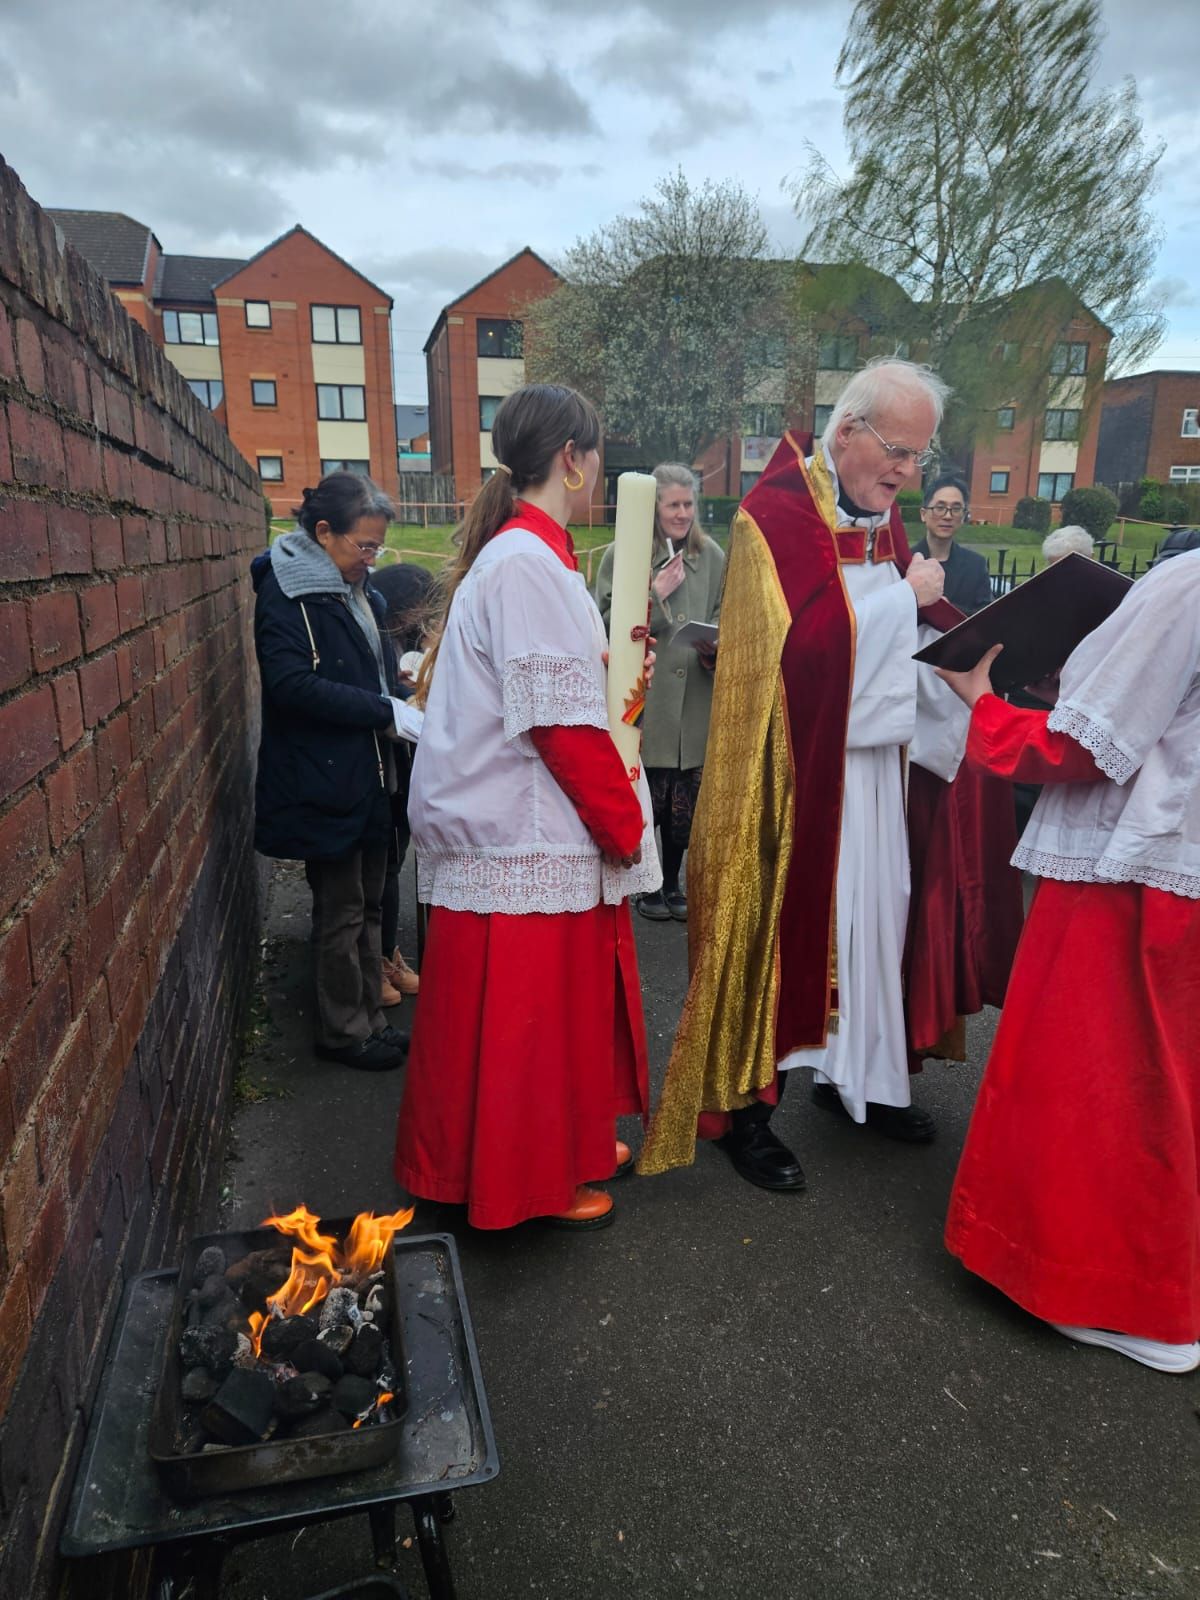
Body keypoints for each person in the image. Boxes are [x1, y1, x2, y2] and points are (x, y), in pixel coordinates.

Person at [640, 358, 986, 1192]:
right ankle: (747, 1113)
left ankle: (862, 1080)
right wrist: (907, 600)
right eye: (898, 452)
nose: (908, 473)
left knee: (875, 921)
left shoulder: (879, 514)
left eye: (919, 456)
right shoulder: (776, 515)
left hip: (874, 765)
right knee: (787, 931)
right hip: (790, 778)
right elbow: (804, 652)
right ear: (847, 432)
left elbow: (889, 621)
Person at [393, 383, 660, 1231]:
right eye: (597, 453)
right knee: (526, 1025)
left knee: (548, 1018)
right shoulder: (526, 564)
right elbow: (555, 724)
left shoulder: (531, 558)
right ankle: (527, 1180)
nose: (600, 467)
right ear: (573, 460)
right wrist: (623, 823)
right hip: (518, 827)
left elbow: (571, 694)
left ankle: (568, 1146)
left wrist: (624, 679)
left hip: (519, 824)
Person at [937, 548, 1200, 1373]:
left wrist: (982, 706)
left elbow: (1083, 749)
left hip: (1135, 868)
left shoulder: (1187, 584)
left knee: (1110, 1083)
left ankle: (1120, 1295)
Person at [252, 472, 411, 1071]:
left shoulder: (358, 591)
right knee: (341, 908)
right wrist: (381, 708)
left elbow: (364, 670)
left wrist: (397, 686)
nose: (371, 560)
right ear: (323, 532)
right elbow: (290, 684)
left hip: (369, 771)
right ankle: (344, 1032)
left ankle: (368, 1013)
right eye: (363, 546)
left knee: (370, 902)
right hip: (327, 777)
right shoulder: (286, 592)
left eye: (378, 548)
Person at [595, 464, 725, 921]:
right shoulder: (622, 554)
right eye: (673, 504)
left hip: (694, 700)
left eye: (689, 504)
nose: (683, 513)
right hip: (647, 697)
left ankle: (673, 881)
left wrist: (715, 647)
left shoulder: (712, 556)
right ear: (654, 509)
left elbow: (722, 612)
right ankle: (646, 885)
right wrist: (653, 592)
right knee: (652, 794)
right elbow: (605, 621)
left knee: (684, 805)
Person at [369, 561, 435, 1004]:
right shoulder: (375, 635)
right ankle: (376, 960)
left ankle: (389, 953)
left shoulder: (409, 638)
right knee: (381, 869)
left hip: (406, 762)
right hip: (381, 763)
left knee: (396, 858)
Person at [913, 474, 993, 613]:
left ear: (963, 516)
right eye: (940, 507)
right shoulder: (905, 562)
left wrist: (948, 610)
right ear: (923, 514)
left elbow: (986, 617)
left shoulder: (976, 565)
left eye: (956, 509)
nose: (948, 516)